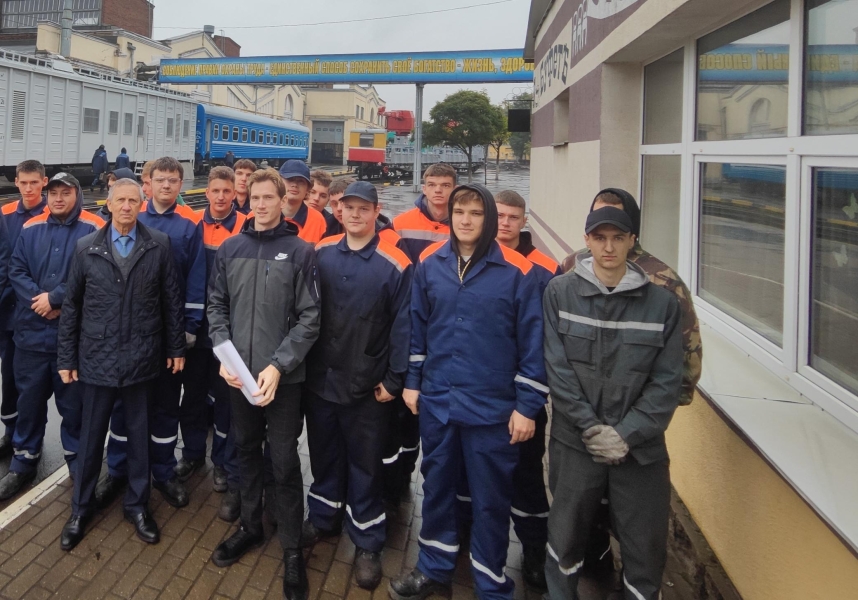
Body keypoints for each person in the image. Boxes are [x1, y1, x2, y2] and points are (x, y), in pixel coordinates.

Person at [389, 184, 548, 600]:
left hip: (493, 410)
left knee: (491, 499)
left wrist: (528, 406)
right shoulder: (430, 263)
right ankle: (433, 567)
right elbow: (418, 327)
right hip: (439, 401)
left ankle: (491, 583)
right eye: (459, 211)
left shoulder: (518, 272)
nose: (465, 219)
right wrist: (412, 383)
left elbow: (534, 344)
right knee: (437, 487)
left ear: (489, 218)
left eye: (476, 213)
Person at [560, 188, 703, 579]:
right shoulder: (571, 267)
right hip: (582, 418)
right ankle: (595, 560)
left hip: (636, 421)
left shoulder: (663, 281)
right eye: (598, 219)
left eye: (617, 221)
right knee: (583, 503)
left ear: (632, 229)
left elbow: (686, 355)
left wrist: (649, 416)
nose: (608, 238)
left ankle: (631, 574)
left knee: (634, 513)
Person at [542, 207, 683, 600]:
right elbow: (557, 368)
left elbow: (667, 381)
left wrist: (626, 434)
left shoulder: (662, 304)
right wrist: (589, 426)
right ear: (586, 241)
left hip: (639, 449)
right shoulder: (560, 293)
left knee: (644, 544)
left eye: (618, 238)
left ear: (632, 242)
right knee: (565, 534)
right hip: (575, 441)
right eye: (600, 238)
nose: (609, 247)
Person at [207, 168, 320, 600]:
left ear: (282, 200)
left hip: (282, 381)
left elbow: (310, 318)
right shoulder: (230, 248)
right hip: (239, 376)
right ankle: (251, 526)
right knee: (245, 451)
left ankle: (291, 548)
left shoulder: (300, 251)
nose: (260, 205)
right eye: (254, 198)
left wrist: (279, 366)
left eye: (268, 197)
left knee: (285, 461)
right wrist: (223, 354)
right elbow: (217, 306)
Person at [57, 177, 186, 551]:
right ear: (109, 204)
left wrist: (176, 348)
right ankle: (80, 510)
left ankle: (138, 506)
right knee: (90, 439)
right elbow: (72, 308)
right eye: (121, 200)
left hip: (142, 357)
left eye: (133, 200)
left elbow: (171, 302)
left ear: (141, 204)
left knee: (139, 438)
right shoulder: (86, 248)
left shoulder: (159, 245)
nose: (127, 206)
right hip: (96, 359)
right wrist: (67, 357)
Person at [304, 182, 412, 590]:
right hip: (321, 379)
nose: (354, 215)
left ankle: (368, 541)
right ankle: (323, 517)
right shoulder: (321, 253)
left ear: (376, 212)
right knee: (324, 453)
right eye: (348, 208)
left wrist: (394, 379)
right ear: (339, 210)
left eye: (363, 209)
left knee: (365, 465)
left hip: (367, 386)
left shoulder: (395, 264)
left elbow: (404, 327)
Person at [453, 189, 560, 591]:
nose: (507, 224)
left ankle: (533, 548)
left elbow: (544, 339)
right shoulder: (472, 262)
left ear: (524, 221)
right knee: (468, 474)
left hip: (522, 398)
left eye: (515, 217)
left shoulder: (543, 269)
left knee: (527, 477)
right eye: (501, 216)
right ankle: (464, 536)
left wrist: (531, 401)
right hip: (481, 395)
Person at [98, 157, 205, 510]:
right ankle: (118, 470)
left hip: (169, 334)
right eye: (161, 179)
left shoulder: (190, 223)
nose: (167, 185)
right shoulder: (132, 216)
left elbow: (196, 279)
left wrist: (188, 329)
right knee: (122, 405)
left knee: (165, 405)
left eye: (173, 180)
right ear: (148, 183)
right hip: (130, 335)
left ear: (180, 185)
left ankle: (163, 471)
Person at [0, 174, 104, 500]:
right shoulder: (31, 228)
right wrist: (40, 301)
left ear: (77, 194)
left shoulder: (94, 228)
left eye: (65, 192)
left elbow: (94, 275)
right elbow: (16, 270)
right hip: (30, 335)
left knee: (73, 406)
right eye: (53, 193)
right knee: (28, 402)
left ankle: (77, 462)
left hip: (71, 339)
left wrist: (56, 299)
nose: (58, 198)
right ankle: (23, 461)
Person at [387, 163, 456, 502]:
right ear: (424, 187)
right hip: (407, 322)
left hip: (443, 327)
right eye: (432, 184)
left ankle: (434, 479)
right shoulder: (401, 223)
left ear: (454, 188)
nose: (438, 190)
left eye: (445, 184)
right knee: (403, 409)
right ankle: (399, 477)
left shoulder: (463, 223)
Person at [182, 166, 246, 523]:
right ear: (206, 193)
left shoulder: (246, 225)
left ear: (235, 193)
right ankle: (192, 454)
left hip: (229, 334)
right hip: (197, 329)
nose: (221, 197)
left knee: (226, 403)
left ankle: (222, 462)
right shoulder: (194, 223)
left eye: (227, 191)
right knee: (192, 397)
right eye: (215, 191)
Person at [0, 160, 49, 457]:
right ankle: (11, 430)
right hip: (9, 312)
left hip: (37, 312)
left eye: (34, 182)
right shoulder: (5, 214)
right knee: (9, 376)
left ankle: (29, 437)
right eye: (24, 182)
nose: (29, 188)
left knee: (33, 383)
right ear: (16, 182)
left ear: (44, 182)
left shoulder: (52, 214)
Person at [279, 160, 327, 244]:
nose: (294, 185)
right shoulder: (261, 214)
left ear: (308, 188)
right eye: (290, 179)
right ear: (279, 183)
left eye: (300, 181)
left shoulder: (318, 221)